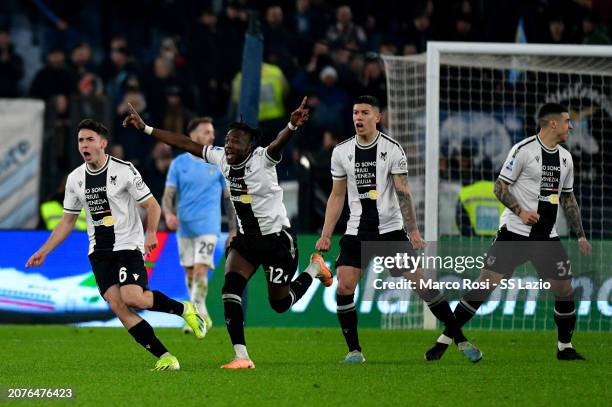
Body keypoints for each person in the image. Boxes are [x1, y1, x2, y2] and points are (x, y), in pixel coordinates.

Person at [123, 97, 333, 369]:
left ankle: (314, 270)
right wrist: (146, 128)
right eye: (228, 140)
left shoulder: (263, 159)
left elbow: (279, 142)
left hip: (277, 240)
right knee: (230, 290)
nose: (230, 145)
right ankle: (241, 356)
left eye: (236, 142)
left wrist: (292, 125)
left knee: (280, 304)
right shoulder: (221, 156)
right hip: (246, 240)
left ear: (250, 146)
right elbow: (186, 144)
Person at [26, 119, 206, 371]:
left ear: (103, 143)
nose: (84, 145)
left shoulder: (124, 170)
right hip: (98, 251)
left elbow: (152, 205)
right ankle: (166, 356)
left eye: (89, 139)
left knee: (134, 298)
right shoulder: (75, 179)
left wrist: (151, 233)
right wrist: (43, 250)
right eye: (80, 140)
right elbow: (67, 221)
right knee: (118, 306)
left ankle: (184, 308)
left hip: (127, 244)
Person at [315, 95, 481, 364]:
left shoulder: (393, 149)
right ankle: (354, 350)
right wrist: (325, 234)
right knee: (344, 287)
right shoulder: (341, 151)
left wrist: (413, 231)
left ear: (377, 117)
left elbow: (404, 192)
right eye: (355, 112)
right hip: (356, 231)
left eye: (365, 112)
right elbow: (336, 196)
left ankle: (460, 339)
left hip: (390, 231)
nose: (358, 117)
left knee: (423, 285)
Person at [427, 103, 593, 361]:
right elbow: (499, 188)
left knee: (564, 289)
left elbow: (568, 199)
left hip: (546, 237)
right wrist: (521, 212)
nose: (571, 126)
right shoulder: (523, 150)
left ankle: (565, 347)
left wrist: (580, 234)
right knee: (484, 286)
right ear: (552, 123)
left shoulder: (565, 158)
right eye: (567, 121)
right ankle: (444, 340)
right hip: (514, 233)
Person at [162, 117, 237, 331]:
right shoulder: (179, 164)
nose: (212, 136)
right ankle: (202, 312)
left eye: (212, 132)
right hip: (184, 228)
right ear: (193, 136)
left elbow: (228, 198)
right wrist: (168, 214)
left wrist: (233, 229)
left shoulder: (217, 162)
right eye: (206, 132)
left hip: (209, 227)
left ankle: (193, 317)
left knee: (201, 270)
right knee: (190, 274)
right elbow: (168, 195)